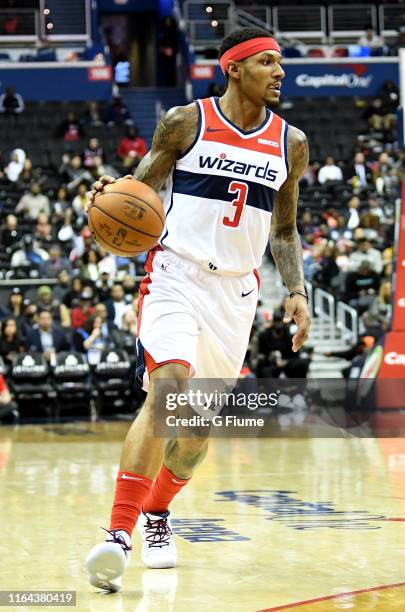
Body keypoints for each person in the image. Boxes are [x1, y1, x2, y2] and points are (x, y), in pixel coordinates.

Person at [85, 26, 311, 591]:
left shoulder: (292, 143)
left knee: (193, 435)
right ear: (233, 68)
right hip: (176, 274)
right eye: (266, 63)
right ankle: (117, 536)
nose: (279, 72)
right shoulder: (188, 122)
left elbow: (284, 231)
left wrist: (298, 291)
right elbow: (142, 188)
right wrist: (113, 205)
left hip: (236, 294)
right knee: (169, 392)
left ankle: (158, 512)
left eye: (279, 63)